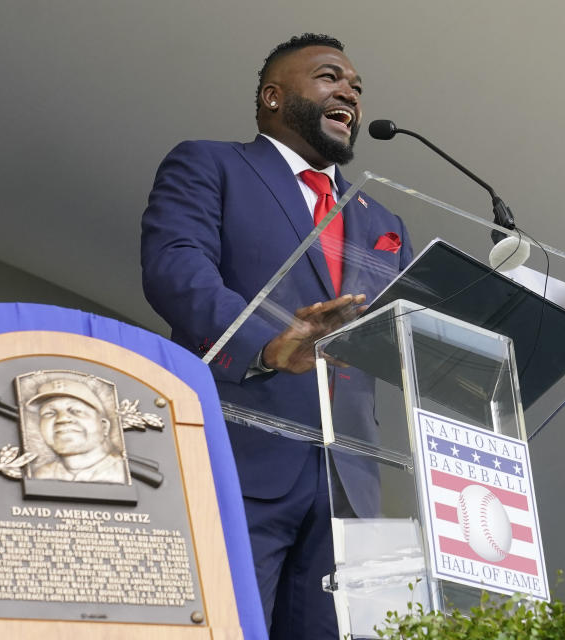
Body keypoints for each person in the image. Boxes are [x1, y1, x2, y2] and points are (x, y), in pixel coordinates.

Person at [141, 33, 412, 639]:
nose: (350, 91)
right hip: (240, 455)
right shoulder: (211, 165)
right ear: (273, 97)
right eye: (329, 78)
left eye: (357, 87)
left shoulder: (382, 222)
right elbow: (176, 268)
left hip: (351, 484)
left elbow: (402, 332)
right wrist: (267, 343)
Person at [26, 379, 127, 484]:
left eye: (76, 411)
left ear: (104, 426)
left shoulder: (122, 472)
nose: (62, 418)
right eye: (49, 413)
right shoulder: (42, 475)